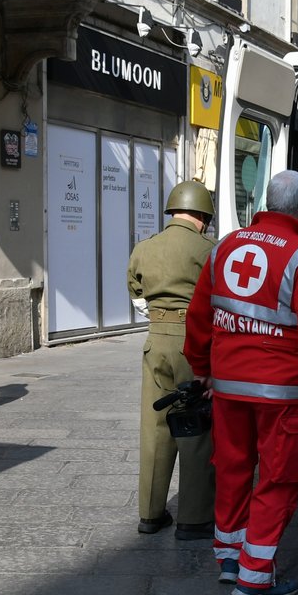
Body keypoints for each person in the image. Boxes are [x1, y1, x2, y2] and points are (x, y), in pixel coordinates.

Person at [183, 170, 298, 595]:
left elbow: (198, 316)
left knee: (232, 470)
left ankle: (230, 559)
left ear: (266, 202)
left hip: (229, 388)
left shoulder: (225, 246)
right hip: (281, 394)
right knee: (279, 479)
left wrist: (202, 367)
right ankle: (255, 576)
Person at [127, 181, 217, 537]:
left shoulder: (145, 248)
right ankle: (193, 520)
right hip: (192, 343)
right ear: (203, 216)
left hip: (155, 343)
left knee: (155, 428)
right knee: (194, 427)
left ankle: (149, 514)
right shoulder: (208, 248)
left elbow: (135, 292)